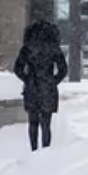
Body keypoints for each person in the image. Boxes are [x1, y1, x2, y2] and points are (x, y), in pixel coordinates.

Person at [12, 21, 67, 152]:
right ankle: (45, 151)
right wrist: (53, 81)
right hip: (48, 88)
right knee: (46, 123)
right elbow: (63, 70)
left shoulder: (27, 48)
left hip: (32, 87)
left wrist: (27, 79)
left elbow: (17, 68)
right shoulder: (54, 48)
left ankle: (34, 150)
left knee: (33, 122)